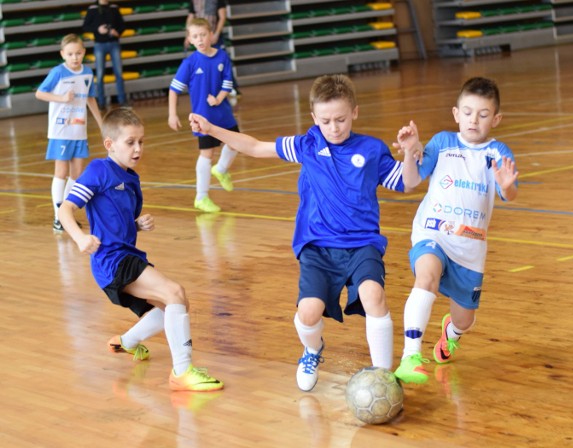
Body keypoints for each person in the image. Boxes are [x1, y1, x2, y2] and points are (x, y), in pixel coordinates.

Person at [189, 74, 408, 392]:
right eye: (326, 121)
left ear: (355, 113)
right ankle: (312, 349)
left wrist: (413, 153)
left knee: (374, 294)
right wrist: (211, 130)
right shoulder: (307, 145)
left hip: (362, 244)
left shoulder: (371, 150)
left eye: (341, 119)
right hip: (317, 246)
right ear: (313, 118)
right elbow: (253, 147)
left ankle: (384, 375)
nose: (334, 127)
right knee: (308, 312)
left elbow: (407, 183)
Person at [58, 108, 223, 392]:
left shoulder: (131, 178)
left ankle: (127, 342)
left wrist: (137, 224)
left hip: (126, 256)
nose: (138, 148)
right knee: (175, 293)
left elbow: (118, 220)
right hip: (111, 261)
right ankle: (182, 372)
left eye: (141, 142)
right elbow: (65, 210)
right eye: (130, 142)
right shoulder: (99, 170)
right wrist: (80, 238)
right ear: (110, 144)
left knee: (175, 304)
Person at [393, 77, 519, 384]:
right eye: (467, 112)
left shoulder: (497, 152)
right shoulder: (441, 144)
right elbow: (410, 183)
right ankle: (410, 356)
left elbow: (510, 193)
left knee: (465, 318)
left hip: (470, 249)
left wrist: (507, 186)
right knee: (427, 277)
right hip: (432, 234)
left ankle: (452, 333)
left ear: (496, 118)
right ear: (456, 114)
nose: (474, 120)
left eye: (483, 114)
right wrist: (410, 153)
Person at [169, 18, 239, 213]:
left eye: (203, 35)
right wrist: (172, 114)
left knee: (236, 143)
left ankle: (222, 169)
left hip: (223, 112)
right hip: (203, 117)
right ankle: (201, 197)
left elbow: (227, 82)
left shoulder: (222, 56)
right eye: (195, 36)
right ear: (190, 39)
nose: (200, 39)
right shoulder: (189, 63)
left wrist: (218, 98)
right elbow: (174, 89)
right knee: (207, 154)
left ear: (211, 35)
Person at [35, 33, 103, 232]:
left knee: (77, 174)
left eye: (79, 53)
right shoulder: (58, 72)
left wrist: (101, 123)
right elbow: (39, 93)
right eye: (71, 54)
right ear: (63, 54)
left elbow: (90, 99)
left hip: (79, 130)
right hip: (60, 130)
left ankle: (66, 214)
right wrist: (61, 98)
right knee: (61, 173)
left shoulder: (88, 73)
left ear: (84, 53)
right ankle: (58, 217)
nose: (75, 57)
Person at [185, 0, 241, 97]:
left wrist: (216, 34)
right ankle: (208, 89)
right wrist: (187, 36)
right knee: (203, 64)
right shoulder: (194, 1)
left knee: (223, 61)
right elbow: (190, 18)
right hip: (200, 39)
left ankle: (232, 88)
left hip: (215, 38)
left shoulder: (217, 1)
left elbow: (222, 17)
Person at [82, 0, 128, 109]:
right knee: (100, 74)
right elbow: (85, 26)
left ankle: (122, 100)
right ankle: (101, 102)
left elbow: (122, 25)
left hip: (114, 43)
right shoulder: (92, 8)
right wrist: (97, 29)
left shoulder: (114, 7)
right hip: (99, 45)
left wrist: (117, 32)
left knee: (119, 73)